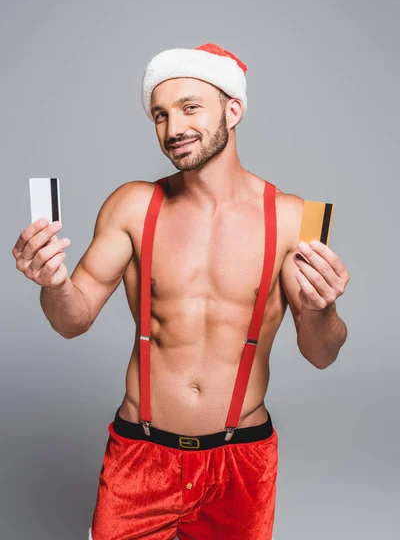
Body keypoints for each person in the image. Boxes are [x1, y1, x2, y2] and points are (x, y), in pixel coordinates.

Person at [12, 43, 350, 540]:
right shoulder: (131, 205)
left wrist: (325, 306)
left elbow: (321, 354)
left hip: (241, 462)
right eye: (160, 115)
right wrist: (53, 283)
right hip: (140, 456)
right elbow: (70, 319)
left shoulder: (299, 218)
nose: (174, 130)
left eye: (191, 108)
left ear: (233, 110)